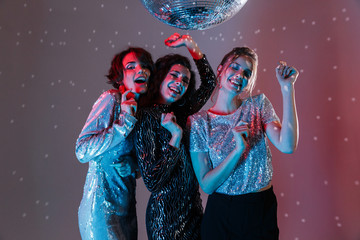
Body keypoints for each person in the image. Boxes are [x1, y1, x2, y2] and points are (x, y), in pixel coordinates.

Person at [188, 47, 299, 240]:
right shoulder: (199, 122)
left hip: (260, 208)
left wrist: (287, 89)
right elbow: (206, 185)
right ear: (221, 69)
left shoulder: (258, 105)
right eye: (235, 68)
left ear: (249, 83)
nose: (240, 75)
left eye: (247, 73)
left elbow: (287, 145)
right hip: (221, 214)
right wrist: (238, 150)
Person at [134, 33, 216, 240]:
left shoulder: (181, 112)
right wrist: (175, 137)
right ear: (161, 76)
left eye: (185, 80)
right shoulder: (146, 117)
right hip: (165, 218)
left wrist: (191, 45)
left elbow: (209, 83)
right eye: (174, 75)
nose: (180, 82)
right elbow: (152, 182)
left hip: (193, 211)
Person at [75, 47, 154, 240]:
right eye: (131, 67)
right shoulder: (111, 99)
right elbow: (82, 150)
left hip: (126, 209)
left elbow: (133, 160)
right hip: (101, 209)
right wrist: (124, 122)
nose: (140, 71)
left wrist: (134, 167)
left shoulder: (141, 111)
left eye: (145, 66)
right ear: (120, 77)